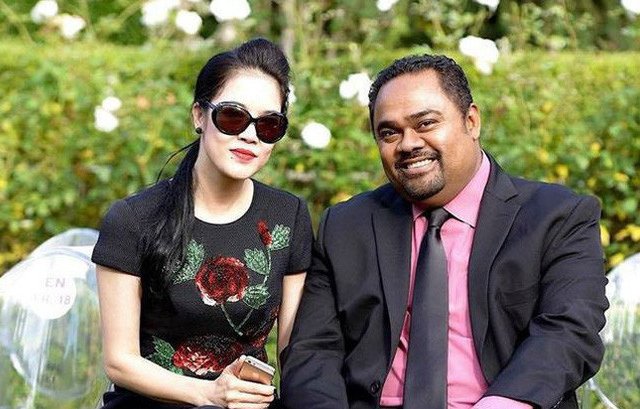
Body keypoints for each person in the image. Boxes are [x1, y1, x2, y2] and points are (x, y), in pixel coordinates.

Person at [280, 54, 608, 409]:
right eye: (389, 132)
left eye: (425, 123)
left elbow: (568, 331)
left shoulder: (556, 217)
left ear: (471, 121)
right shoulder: (346, 226)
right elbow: (313, 352)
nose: (408, 144)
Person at [93, 38, 312, 409]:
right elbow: (119, 361)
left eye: (269, 125)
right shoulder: (133, 219)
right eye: (233, 116)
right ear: (199, 115)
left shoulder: (287, 215)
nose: (249, 135)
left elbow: (294, 351)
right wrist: (209, 394)